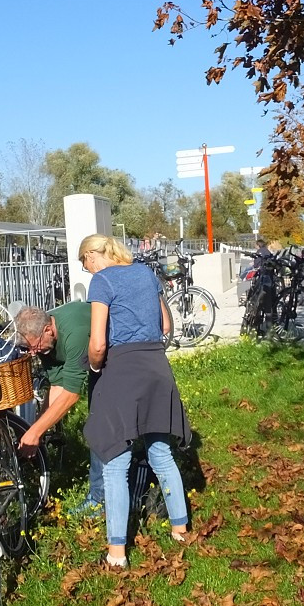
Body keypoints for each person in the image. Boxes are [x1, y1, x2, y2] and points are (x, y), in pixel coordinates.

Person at [80, 233, 190, 570]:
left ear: (92, 256)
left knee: (115, 461)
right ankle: (181, 531)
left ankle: (116, 555)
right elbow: (167, 324)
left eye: (83, 263)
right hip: (157, 366)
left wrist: (96, 366)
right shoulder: (145, 272)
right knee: (161, 452)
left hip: (122, 371)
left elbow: (98, 342)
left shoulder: (102, 280)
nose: (86, 270)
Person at [14, 303, 101, 512]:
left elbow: (71, 394)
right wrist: (40, 429)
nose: (33, 353)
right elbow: (57, 385)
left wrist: (35, 431)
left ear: (48, 330)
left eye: (35, 347)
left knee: (99, 429)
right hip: (89, 363)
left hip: (114, 357)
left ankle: (100, 499)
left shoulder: (75, 334)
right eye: (29, 349)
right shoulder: (43, 342)